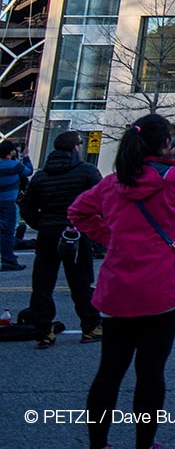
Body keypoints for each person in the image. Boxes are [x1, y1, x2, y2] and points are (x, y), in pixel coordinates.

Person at [69, 115, 175, 449]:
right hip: (162, 289)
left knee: (109, 371)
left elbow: (78, 212)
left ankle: (98, 443)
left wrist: (110, 238)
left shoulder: (111, 183)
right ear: (164, 145)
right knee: (150, 371)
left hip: (116, 288)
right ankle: (144, 443)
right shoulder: (173, 180)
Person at [19, 130, 101, 347]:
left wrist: (42, 223)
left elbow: (26, 207)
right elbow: (102, 201)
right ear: (75, 147)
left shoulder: (41, 175)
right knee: (81, 281)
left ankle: (44, 330)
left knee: (43, 284)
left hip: (47, 231)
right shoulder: (86, 171)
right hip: (75, 231)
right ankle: (90, 326)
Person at [0, 138, 33, 271]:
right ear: (10, 152)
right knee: (7, 232)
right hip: (8, 202)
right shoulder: (14, 165)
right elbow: (28, 171)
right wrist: (25, 157)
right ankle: (8, 260)